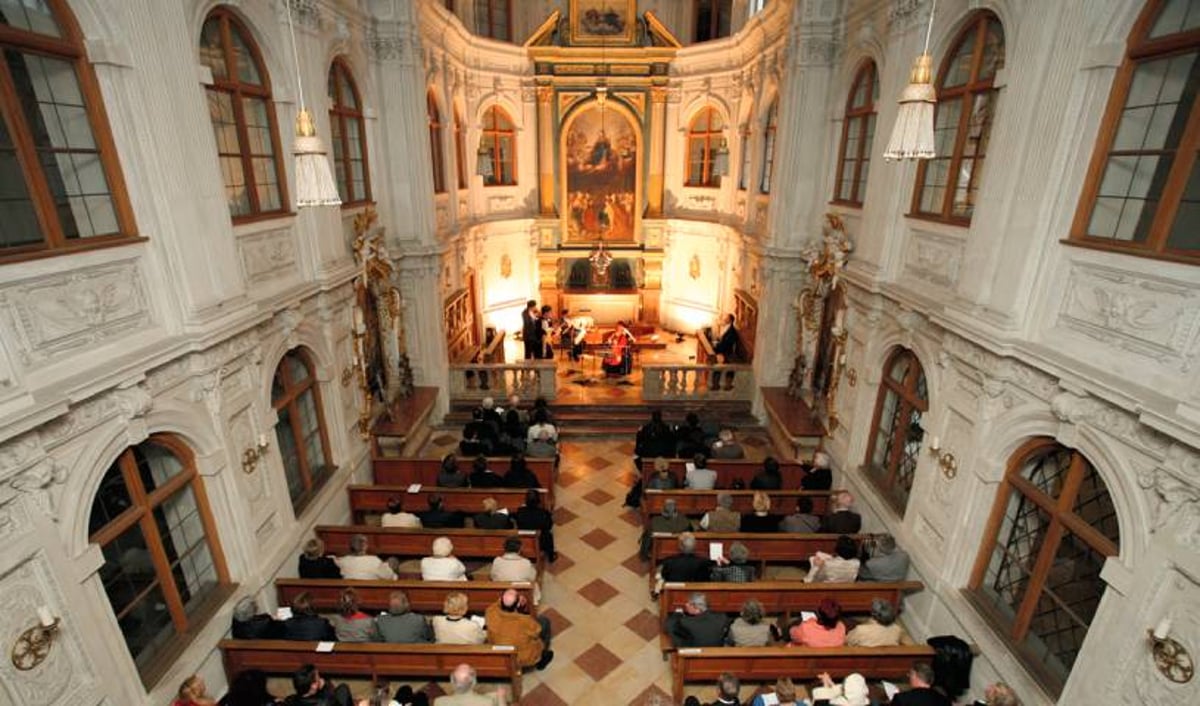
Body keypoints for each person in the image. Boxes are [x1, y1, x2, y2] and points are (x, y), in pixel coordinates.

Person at [485, 588, 554, 670]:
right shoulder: (523, 621)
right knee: (544, 621)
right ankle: (542, 657)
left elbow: (497, 604)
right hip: (523, 657)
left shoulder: (490, 611)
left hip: (500, 652)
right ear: (518, 604)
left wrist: (507, 599)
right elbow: (536, 631)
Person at [666, 592, 730, 647]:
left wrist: (677, 614)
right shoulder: (722, 617)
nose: (686, 604)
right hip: (715, 653)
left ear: (696, 607)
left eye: (689, 603)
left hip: (694, 657)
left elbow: (669, 625)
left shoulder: (686, 622)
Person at [434, 663, 509, 705]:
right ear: (474, 682)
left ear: (452, 681)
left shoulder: (439, 702)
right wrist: (501, 698)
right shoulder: (487, 702)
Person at [514, 488, 555, 562]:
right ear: (538, 501)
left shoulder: (520, 511)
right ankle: (551, 556)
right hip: (541, 541)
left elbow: (518, 523)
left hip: (524, 539)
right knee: (549, 535)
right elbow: (549, 526)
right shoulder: (543, 513)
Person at [283, 664, 353, 706]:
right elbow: (332, 700)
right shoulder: (327, 702)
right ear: (313, 686)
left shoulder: (289, 700)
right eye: (318, 677)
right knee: (343, 689)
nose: (321, 679)